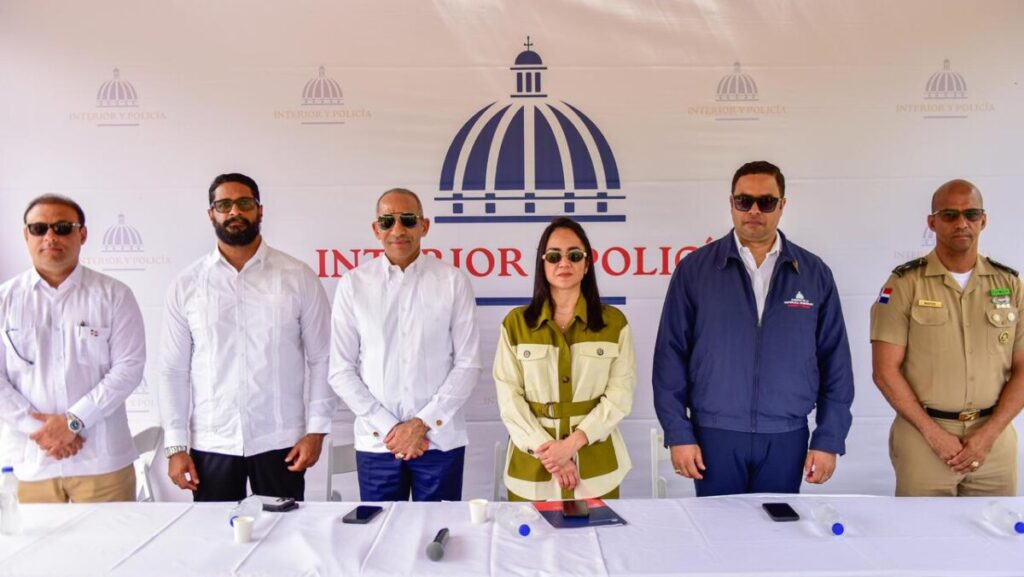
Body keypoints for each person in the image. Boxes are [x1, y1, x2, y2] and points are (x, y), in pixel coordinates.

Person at [653, 160, 854, 496]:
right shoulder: (695, 271)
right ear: (731, 203)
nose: (755, 211)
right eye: (744, 201)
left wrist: (829, 438)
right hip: (714, 435)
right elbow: (670, 358)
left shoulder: (814, 273)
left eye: (767, 202)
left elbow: (836, 362)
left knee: (777, 528)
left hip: (785, 436)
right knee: (718, 527)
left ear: (782, 205)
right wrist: (678, 433)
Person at [158, 173, 337, 501]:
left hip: (281, 440)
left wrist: (316, 431)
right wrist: (175, 447)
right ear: (211, 214)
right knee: (214, 531)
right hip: (212, 441)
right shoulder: (187, 284)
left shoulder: (297, 277)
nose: (234, 212)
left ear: (260, 210)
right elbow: (173, 370)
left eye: (244, 203)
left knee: (285, 528)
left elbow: (323, 357)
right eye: (224, 205)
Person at [871, 179, 1024, 496]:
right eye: (950, 215)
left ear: (983, 220)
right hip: (924, 439)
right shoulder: (905, 283)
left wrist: (988, 435)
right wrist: (933, 434)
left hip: (993, 441)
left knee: (994, 527)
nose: (962, 223)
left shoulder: (1010, 284)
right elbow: (885, 371)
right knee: (923, 527)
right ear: (932, 222)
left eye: (971, 214)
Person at [329, 188, 480, 501]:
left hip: (439, 442)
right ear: (376, 229)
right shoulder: (353, 284)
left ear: (424, 226)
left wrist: (422, 424)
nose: (397, 229)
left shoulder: (453, 281)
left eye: (408, 220)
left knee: (438, 530)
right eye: (388, 221)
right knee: (380, 529)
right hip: (378, 443)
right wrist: (390, 428)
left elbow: (469, 363)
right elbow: (340, 370)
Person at [0, 194, 145, 502]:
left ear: (83, 234)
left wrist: (74, 422)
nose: (50, 236)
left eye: (63, 227)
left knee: (112, 538)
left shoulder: (115, 295)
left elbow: (128, 368)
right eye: (39, 228)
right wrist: (44, 431)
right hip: (28, 465)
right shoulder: (5, 300)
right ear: (26, 235)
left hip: (103, 464)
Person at [493, 217, 636, 501]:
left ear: (587, 264)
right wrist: (550, 453)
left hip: (596, 469)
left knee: (597, 531)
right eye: (554, 256)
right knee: (531, 532)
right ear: (543, 264)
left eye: (574, 255)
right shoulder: (516, 324)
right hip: (533, 470)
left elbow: (621, 394)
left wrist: (570, 446)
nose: (564, 263)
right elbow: (509, 399)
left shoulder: (614, 323)